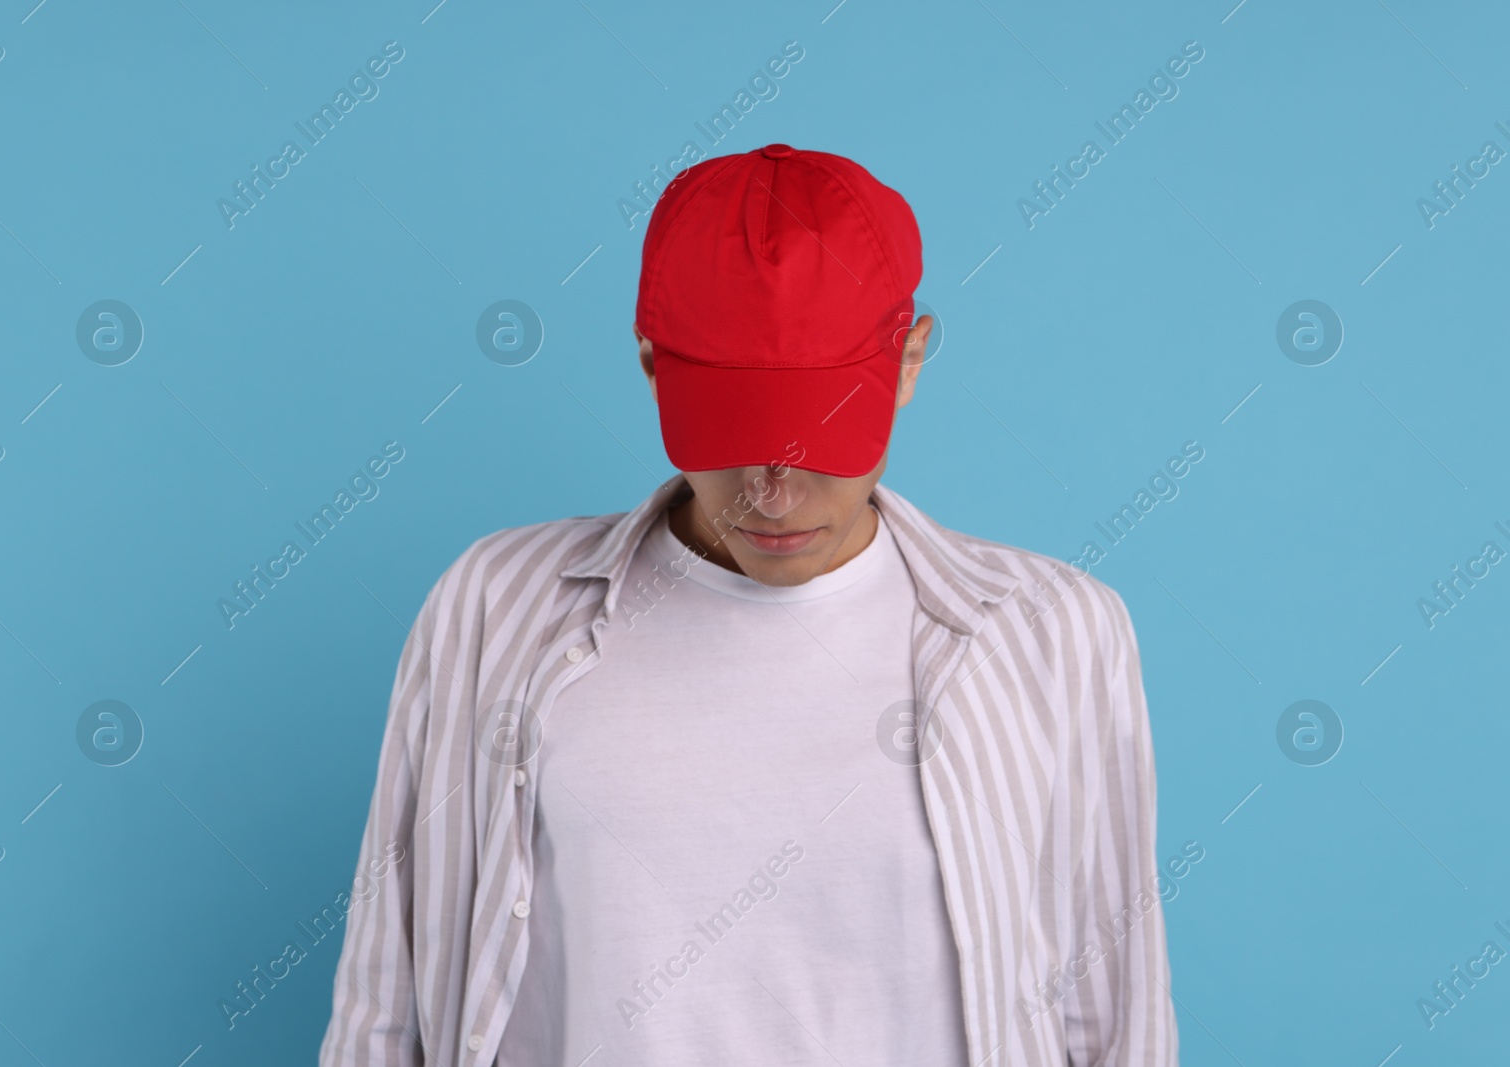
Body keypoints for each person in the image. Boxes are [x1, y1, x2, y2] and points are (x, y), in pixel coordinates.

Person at [320, 143, 1178, 1066]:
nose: (772, 492)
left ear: (911, 361)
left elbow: (1113, 1018)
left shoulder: (1054, 633)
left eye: (820, 436)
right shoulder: (494, 607)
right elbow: (385, 1010)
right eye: (732, 430)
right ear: (652, 364)